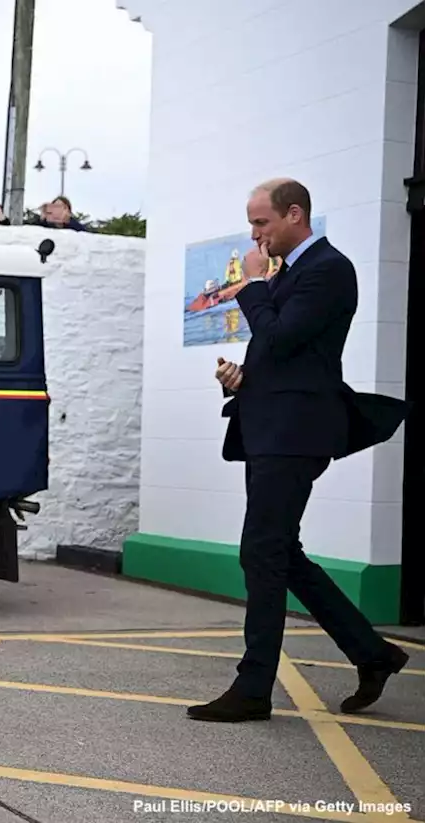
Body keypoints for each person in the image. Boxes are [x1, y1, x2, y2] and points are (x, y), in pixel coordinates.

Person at [189, 179, 410, 723]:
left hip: (296, 433)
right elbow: (279, 352)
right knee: (280, 552)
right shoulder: (292, 273)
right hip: (272, 425)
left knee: (261, 551)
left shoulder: (329, 269)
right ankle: (373, 654)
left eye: (261, 223)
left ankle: (253, 688)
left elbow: (282, 335)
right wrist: (242, 379)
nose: (254, 234)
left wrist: (255, 285)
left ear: (294, 215)